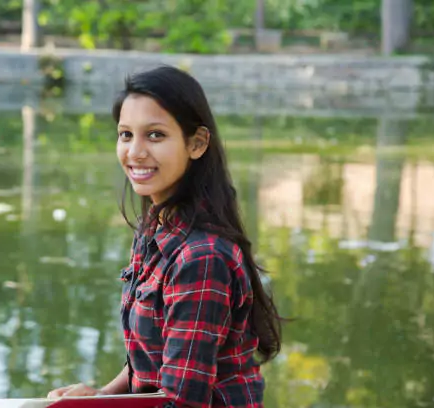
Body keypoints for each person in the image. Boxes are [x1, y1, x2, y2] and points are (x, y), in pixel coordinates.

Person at [47, 66, 281, 407]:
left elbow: (182, 402)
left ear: (197, 143)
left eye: (155, 135)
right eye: (126, 134)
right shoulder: (155, 229)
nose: (135, 152)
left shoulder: (201, 257)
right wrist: (99, 397)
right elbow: (150, 359)